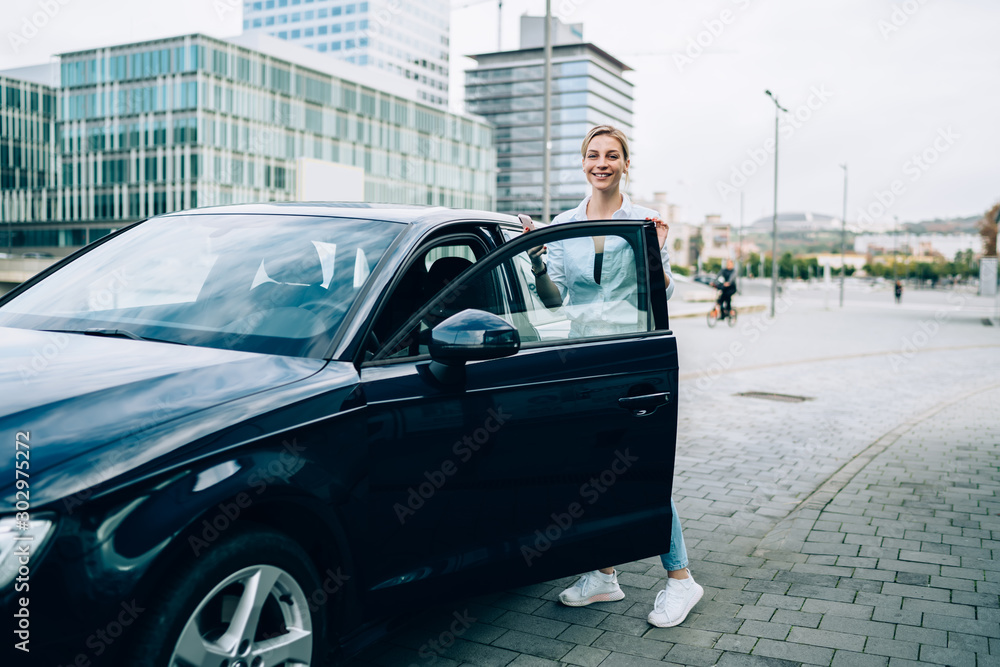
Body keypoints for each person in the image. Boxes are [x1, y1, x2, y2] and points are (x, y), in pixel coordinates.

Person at [527, 124, 703, 628]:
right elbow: (555, 300)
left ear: (626, 164)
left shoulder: (643, 223)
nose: (600, 163)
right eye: (592, 155)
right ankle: (603, 574)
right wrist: (538, 263)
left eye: (611, 155)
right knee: (592, 466)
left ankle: (681, 579)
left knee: (641, 467)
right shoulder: (564, 224)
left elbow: (661, 292)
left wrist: (654, 250)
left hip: (631, 358)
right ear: (583, 162)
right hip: (584, 357)